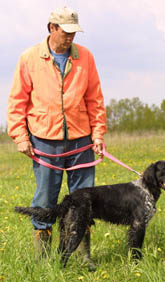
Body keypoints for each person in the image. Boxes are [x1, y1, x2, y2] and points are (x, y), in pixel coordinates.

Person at [7, 6, 106, 271]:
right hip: (43, 141)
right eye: (66, 31)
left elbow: (95, 99)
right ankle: (44, 261)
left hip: (81, 141)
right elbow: (17, 101)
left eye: (75, 31)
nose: (71, 37)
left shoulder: (86, 57)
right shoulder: (29, 58)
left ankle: (83, 257)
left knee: (84, 201)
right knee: (44, 201)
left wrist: (98, 133)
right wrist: (21, 137)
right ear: (52, 27)